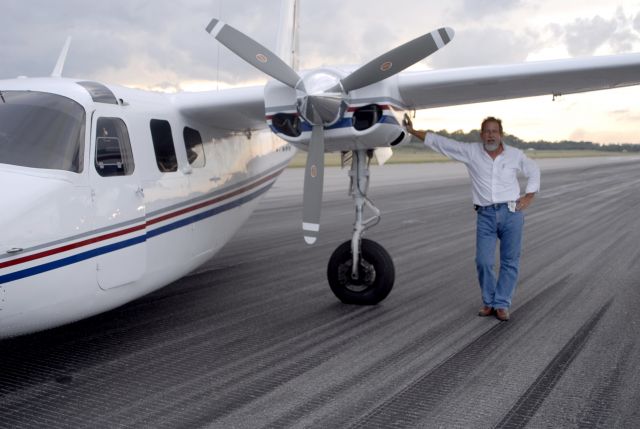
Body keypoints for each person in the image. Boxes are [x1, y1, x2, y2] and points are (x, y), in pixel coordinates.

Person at [404, 116, 540, 321]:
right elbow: (442, 143)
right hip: (485, 214)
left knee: (509, 262)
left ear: (501, 134)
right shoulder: (471, 152)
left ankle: (501, 304)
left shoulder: (515, 155)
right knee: (483, 261)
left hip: (511, 213)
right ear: (481, 134)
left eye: (494, 131)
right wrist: (414, 132)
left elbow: (534, 170)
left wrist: (529, 196)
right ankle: (489, 301)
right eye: (487, 131)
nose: (491, 135)